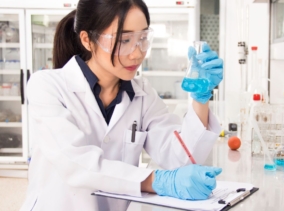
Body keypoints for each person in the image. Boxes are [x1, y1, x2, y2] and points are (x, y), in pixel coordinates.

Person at [20, 0, 224, 210]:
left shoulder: (142, 94)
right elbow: (76, 164)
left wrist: (201, 98)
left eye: (143, 38)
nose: (137, 53)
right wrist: (158, 181)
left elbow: (182, 159)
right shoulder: (47, 86)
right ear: (87, 39)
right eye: (124, 40)